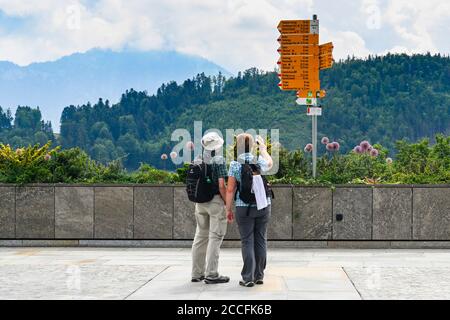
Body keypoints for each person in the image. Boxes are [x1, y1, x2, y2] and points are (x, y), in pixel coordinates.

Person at [226, 133, 273, 287]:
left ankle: (248, 278)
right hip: (262, 206)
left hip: (243, 207)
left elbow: (230, 189)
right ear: (252, 146)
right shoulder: (259, 161)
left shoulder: (234, 165)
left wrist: (228, 209)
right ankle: (259, 275)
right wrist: (264, 149)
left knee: (247, 241)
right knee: (260, 239)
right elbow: (271, 164)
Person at [191, 132, 230, 284]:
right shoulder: (219, 160)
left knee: (200, 237)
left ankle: (196, 273)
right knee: (215, 237)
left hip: (199, 203)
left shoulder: (198, 159)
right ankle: (212, 273)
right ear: (218, 145)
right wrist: (227, 203)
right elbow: (221, 185)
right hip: (214, 202)